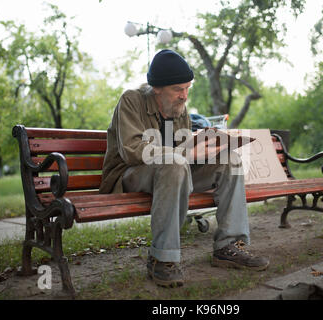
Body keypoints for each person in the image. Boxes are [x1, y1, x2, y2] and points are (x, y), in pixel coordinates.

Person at [100, 49, 269, 287]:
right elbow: (132, 150)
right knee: (174, 164)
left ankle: (228, 247)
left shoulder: (179, 109)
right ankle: (162, 259)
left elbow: (185, 150)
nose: (184, 96)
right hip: (129, 175)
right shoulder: (131, 100)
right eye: (178, 89)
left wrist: (209, 148)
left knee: (229, 160)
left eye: (188, 88)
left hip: (173, 172)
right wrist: (186, 153)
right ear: (157, 88)